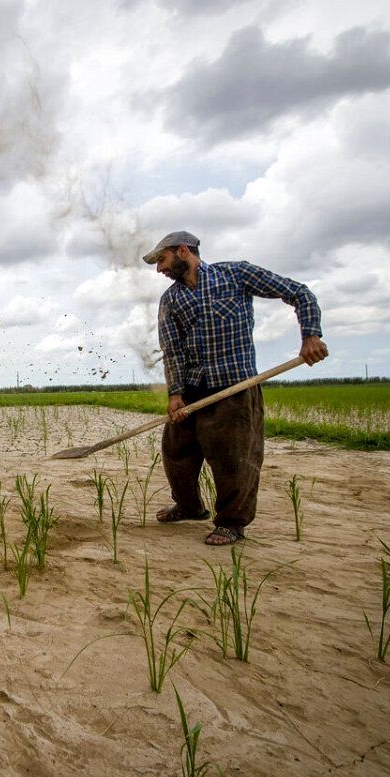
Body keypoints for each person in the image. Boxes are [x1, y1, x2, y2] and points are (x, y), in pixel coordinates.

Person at [143, 231, 328, 545]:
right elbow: (172, 349)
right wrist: (175, 393)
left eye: (162, 259)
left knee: (234, 459)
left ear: (183, 251)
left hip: (235, 387)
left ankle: (232, 523)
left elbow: (298, 292)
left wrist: (310, 335)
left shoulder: (236, 274)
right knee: (176, 452)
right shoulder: (170, 299)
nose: (159, 268)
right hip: (191, 390)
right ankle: (189, 507)